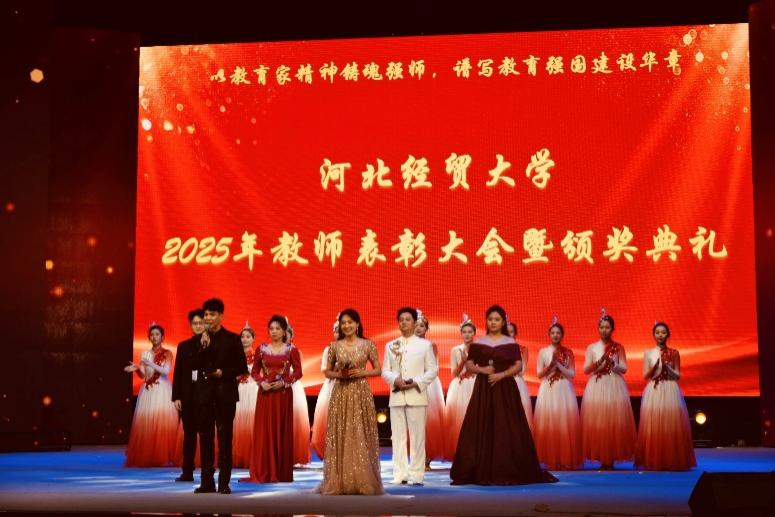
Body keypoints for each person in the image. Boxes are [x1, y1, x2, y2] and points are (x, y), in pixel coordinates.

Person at [450, 305, 556, 485]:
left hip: (505, 388)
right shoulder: (479, 342)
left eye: (497, 319)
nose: (493, 322)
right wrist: (483, 370)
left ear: (502, 322)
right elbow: (469, 364)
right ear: (486, 321)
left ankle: (506, 468)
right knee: (481, 425)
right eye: (490, 319)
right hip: (484, 389)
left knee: (507, 426)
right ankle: (478, 469)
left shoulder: (510, 342)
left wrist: (502, 374)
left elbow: (518, 365)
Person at [317, 309, 384, 495]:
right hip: (341, 392)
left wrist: (363, 372)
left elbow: (378, 370)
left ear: (357, 324)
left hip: (361, 391)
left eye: (350, 322)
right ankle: (341, 480)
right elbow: (327, 372)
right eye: (343, 323)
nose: (346, 326)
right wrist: (340, 374)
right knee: (342, 432)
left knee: (359, 432)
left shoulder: (368, 344)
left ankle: (362, 479)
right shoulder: (334, 346)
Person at [192, 298, 248, 494]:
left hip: (225, 394)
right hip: (205, 396)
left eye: (212, 314)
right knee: (205, 438)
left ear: (221, 316)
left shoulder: (232, 339)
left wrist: (222, 373)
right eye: (206, 314)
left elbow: (241, 367)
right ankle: (206, 482)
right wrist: (203, 347)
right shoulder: (199, 339)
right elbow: (195, 366)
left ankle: (224, 482)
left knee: (225, 439)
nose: (208, 318)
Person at [381, 307, 438, 486]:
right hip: (397, 396)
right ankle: (400, 473)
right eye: (401, 320)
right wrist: (395, 380)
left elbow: (432, 370)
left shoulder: (425, 345)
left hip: (416, 395)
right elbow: (385, 370)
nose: (404, 322)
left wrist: (415, 382)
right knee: (397, 436)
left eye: (408, 319)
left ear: (414, 322)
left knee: (417, 436)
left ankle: (416, 474)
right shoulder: (390, 345)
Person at [247, 315, 302, 483]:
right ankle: (265, 469)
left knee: (281, 430)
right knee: (265, 432)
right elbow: (254, 371)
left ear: (284, 331)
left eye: (278, 328)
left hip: (283, 395)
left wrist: (284, 383)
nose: (274, 331)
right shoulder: (261, 349)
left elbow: (298, 372)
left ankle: (280, 472)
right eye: (271, 328)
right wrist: (261, 382)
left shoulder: (291, 349)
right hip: (265, 394)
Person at [635, 322, 696, 470]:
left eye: (663, 332)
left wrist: (667, 367)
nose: (660, 335)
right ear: (653, 335)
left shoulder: (674, 353)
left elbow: (677, 375)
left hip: (670, 388)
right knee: (654, 424)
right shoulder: (648, 353)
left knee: (670, 424)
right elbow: (645, 376)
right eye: (657, 332)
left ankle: (672, 459)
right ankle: (654, 459)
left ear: (668, 334)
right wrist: (655, 367)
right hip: (654, 389)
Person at [580, 309, 637, 469]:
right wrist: (598, 363)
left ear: (612, 329)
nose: (604, 330)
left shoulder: (618, 347)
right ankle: (600, 456)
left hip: (614, 384)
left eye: (607, 327)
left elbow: (624, 368)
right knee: (598, 420)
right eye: (602, 327)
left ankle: (611, 457)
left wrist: (613, 363)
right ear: (598, 329)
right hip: (597, 385)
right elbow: (586, 369)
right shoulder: (592, 347)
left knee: (614, 420)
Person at [125, 323, 179, 467]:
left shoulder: (168, 353)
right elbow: (144, 375)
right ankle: (149, 456)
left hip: (162, 390)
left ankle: (165, 457)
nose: (154, 337)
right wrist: (137, 369)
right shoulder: (145, 354)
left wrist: (150, 363)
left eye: (157, 334)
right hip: (148, 391)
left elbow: (166, 371)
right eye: (152, 335)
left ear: (162, 337)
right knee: (147, 423)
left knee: (162, 423)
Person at [534, 318, 582, 470]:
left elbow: (572, 374)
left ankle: (564, 459)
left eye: (558, 333)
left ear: (562, 335)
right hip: (548, 389)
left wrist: (559, 365)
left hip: (563, 389)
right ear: (549, 335)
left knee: (563, 423)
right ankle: (550, 459)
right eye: (553, 333)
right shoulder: (543, 352)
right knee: (549, 422)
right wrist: (551, 365)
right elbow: (539, 374)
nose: (555, 335)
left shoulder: (568, 352)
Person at [172, 309, 206, 480]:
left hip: (206, 396)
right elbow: (178, 372)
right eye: (195, 323)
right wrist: (176, 396)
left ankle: (208, 472)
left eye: (201, 323)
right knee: (189, 434)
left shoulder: (211, 344)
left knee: (206, 435)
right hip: (187, 396)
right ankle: (187, 471)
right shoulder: (183, 346)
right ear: (190, 325)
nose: (198, 326)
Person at [414, 310, 446, 468]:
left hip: (428, 385)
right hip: (412, 383)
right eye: (416, 325)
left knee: (429, 421)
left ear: (426, 329)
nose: (418, 328)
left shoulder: (431, 345)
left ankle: (427, 459)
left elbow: (435, 367)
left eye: (421, 326)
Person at [445, 314, 477, 460]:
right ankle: (460, 452)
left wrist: (471, 367)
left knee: (475, 418)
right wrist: (464, 361)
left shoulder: (479, 349)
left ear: (474, 333)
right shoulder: (455, 350)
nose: (467, 334)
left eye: (470, 332)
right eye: (464, 332)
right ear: (461, 334)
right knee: (459, 419)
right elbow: (454, 373)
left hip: (475, 384)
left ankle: (476, 451)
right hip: (460, 387)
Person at [310, 318, 339, 460]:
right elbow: (324, 369)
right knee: (330, 419)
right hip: (332, 385)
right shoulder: (329, 349)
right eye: (335, 330)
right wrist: (336, 368)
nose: (338, 333)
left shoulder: (355, 347)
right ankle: (331, 451)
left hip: (350, 385)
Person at [232, 322, 258, 468]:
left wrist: (244, 368)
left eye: (248, 337)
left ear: (253, 339)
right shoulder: (235, 355)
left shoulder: (258, 355)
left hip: (252, 389)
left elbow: (257, 372)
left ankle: (253, 456)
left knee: (251, 422)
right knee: (237, 422)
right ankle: (237, 456)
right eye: (242, 337)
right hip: (238, 389)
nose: (245, 339)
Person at [287, 322, 311, 466]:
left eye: (287, 334)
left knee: (294, 422)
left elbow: (298, 371)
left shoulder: (295, 351)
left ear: (292, 336)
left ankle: (294, 455)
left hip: (293, 387)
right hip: (277, 387)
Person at [507, 322, 534, 432]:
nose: (509, 334)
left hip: (517, 382)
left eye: (511, 332)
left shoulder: (522, 349)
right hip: (503, 381)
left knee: (519, 413)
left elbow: (522, 371)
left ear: (515, 333)